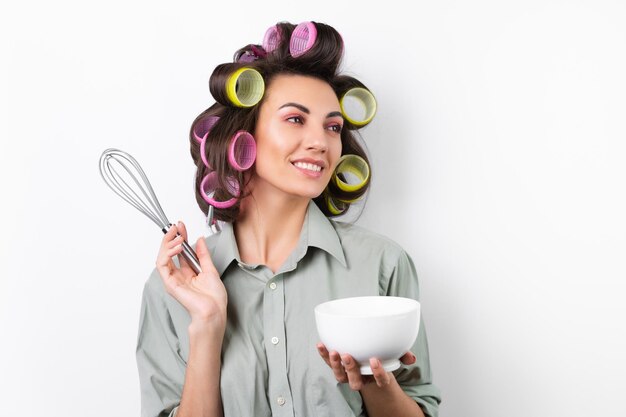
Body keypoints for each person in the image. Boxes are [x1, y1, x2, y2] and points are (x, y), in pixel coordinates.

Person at [136, 20, 441, 417]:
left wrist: (370, 382)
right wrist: (208, 326)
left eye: (333, 126)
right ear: (243, 137)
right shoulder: (176, 288)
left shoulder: (382, 265)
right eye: (296, 119)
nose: (321, 141)